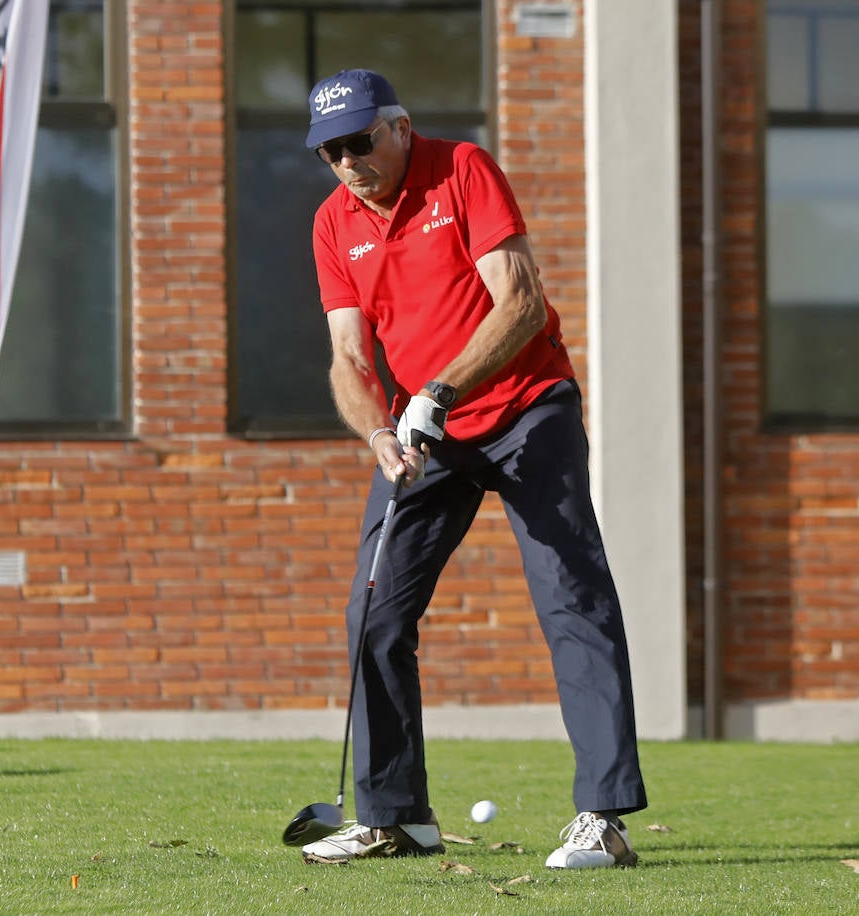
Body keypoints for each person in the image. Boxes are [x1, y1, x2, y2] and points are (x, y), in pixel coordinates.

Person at [299, 69, 648, 870]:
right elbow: (349, 355)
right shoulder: (333, 223)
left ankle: (605, 818)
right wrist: (382, 431)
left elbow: (520, 303)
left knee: (571, 594)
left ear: (400, 125)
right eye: (331, 152)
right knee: (374, 610)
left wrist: (440, 389)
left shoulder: (461, 169)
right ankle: (396, 816)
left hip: (527, 407)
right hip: (426, 435)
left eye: (360, 141)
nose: (349, 162)